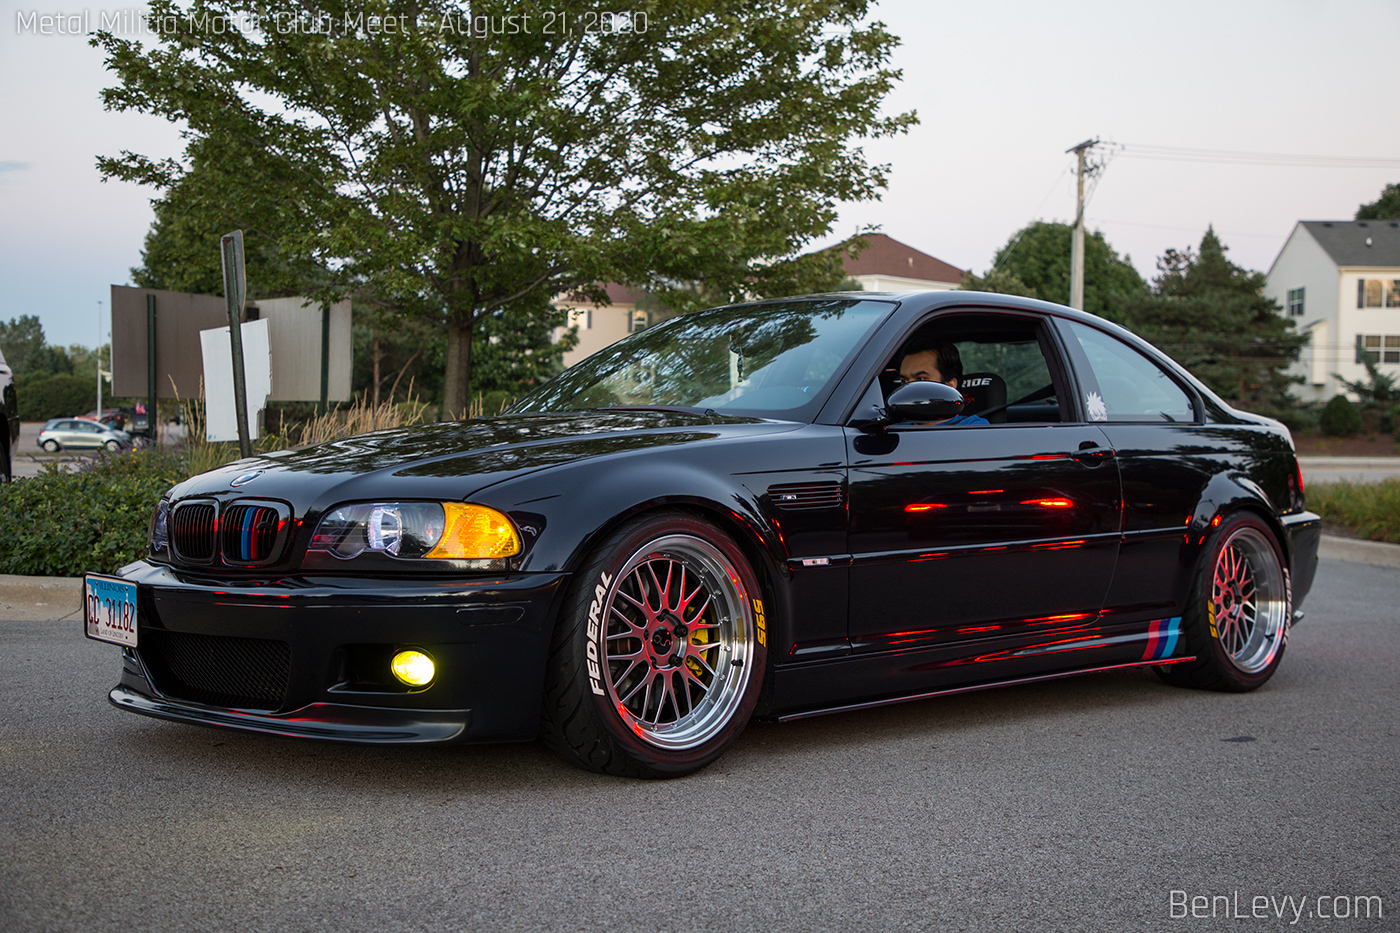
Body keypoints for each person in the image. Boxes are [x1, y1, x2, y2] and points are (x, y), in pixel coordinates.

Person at [896, 338, 989, 426]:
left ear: (949, 386)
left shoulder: (974, 428)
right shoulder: (894, 431)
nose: (908, 389)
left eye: (921, 379)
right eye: (904, 381)